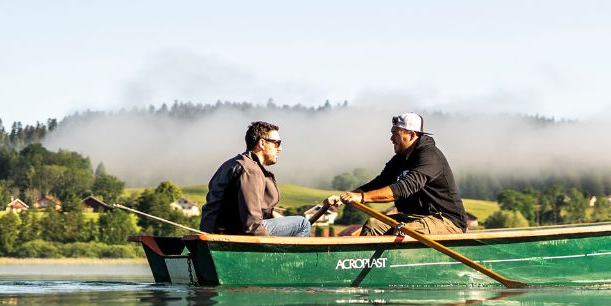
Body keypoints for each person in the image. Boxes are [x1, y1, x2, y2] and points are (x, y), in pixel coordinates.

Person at [332, 113, 467, 236]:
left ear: (411, 135)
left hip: (446, 221)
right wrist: (345, 197)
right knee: (373, 225)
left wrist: (362, 197)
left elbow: (403, 188)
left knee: (403, 231)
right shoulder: (400, 159)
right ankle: (366, 262)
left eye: (395, 133)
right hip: (413, 217)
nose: (391, 138)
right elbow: (379, 183)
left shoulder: (430, 156)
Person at [200, 121, 312, 237]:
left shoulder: (232, 164)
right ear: (262, 143)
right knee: (302, 224)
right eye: (277, 143)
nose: (280, 149)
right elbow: (252, 225)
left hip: (214, 234)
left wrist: (275, 216)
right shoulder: (251, 170)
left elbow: (240, 207)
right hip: (232, 237)